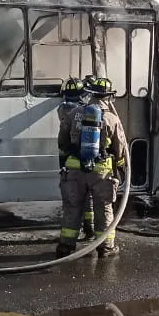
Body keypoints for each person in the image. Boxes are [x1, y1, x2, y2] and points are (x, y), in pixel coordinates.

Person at [57, 77, 129, 259]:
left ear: (89, 93)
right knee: (103, 208)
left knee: (72, 208)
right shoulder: (112, 119)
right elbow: (120, 148)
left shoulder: (73, 113)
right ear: (108, 96)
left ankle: (66, 247)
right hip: (101, 172)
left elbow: (62, 141)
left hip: (74, 170)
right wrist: (119, 167)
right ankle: (105, 247)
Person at [57, 78, 93, 238]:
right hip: (88, 161)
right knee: (88, 198)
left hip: (70, 162)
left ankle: (68, 240)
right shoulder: (86, 111)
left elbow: (62, 142)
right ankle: (90, 230)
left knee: (72, 201)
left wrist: (62, 164)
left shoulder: (63, 110)